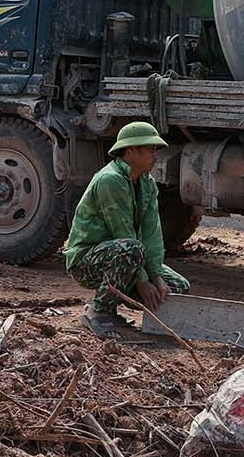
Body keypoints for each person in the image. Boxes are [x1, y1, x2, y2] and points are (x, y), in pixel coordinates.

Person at [64, 121, 190, 341]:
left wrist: (156, 277)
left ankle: (112, 300)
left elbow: (152, 234)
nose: (156, 155)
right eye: (150, 149)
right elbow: (122, 233)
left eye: (156, 149)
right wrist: (142, 281)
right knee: (130, 249)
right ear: (131, 151)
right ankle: (98, 311)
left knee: (178, 287)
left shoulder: (147, 183)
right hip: (87, 261)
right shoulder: (110, 180)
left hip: (125, 256)